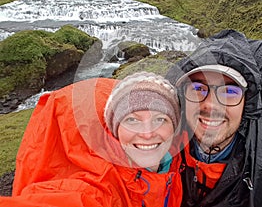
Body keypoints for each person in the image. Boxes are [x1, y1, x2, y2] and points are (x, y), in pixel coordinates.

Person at [0, 72, 183, 207]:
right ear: (115, 130)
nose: (147, 133)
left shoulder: (175, 163)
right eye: (132, 120)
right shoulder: (100, 189)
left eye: (160, 119)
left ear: (174, 127)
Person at [166, 30, 262, 207]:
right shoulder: (160, 146)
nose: (211, 106)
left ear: (247, 104)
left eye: (229, 91)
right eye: (198, 88)